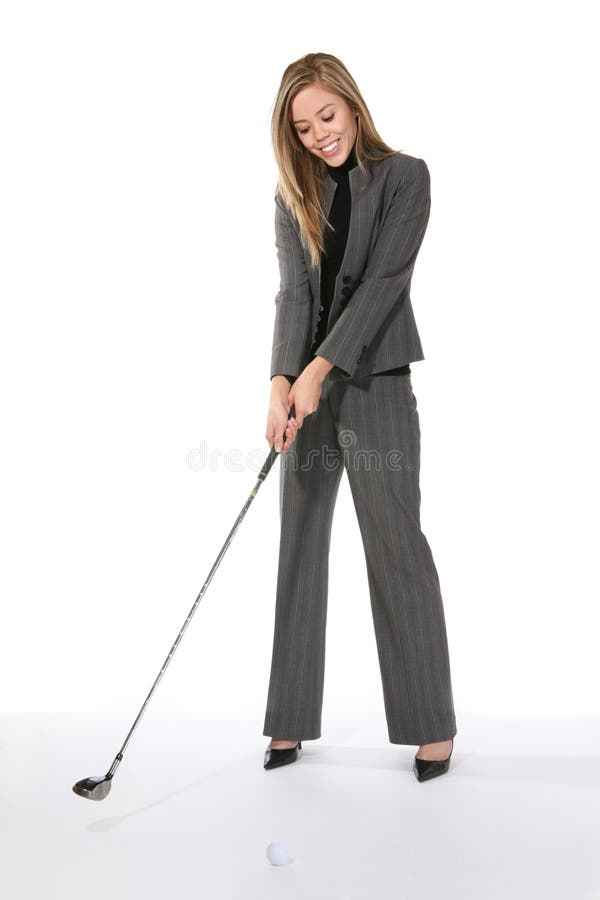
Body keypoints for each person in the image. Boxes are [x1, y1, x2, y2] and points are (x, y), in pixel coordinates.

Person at [262, 52, 457, 782]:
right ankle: (287, 721)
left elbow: (382, 287)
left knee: (395, 547)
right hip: (305, 393)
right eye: (303, 127)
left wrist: (318, 370)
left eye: (327, 117)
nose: (319, 135)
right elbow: (292, 294)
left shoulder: (407, 178)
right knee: (300, 547)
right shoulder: (293, 195)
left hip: (375, 384)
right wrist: (280, 382)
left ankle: (429, 725)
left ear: (352, 104)